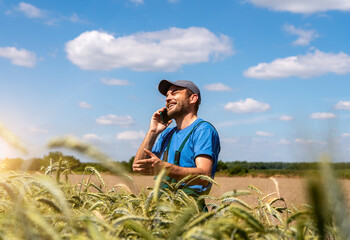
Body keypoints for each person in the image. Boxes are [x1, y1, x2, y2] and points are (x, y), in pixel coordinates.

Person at [132, 79, 220, 203]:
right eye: (167, 95)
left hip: (188, 210)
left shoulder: (203, 130)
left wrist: (165, 168)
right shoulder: (167, 133)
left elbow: (204, 176)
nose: (167, 99)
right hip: (161, 208)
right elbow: (138, 167)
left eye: (175, 93)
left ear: (193, 98)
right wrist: (152, 132)